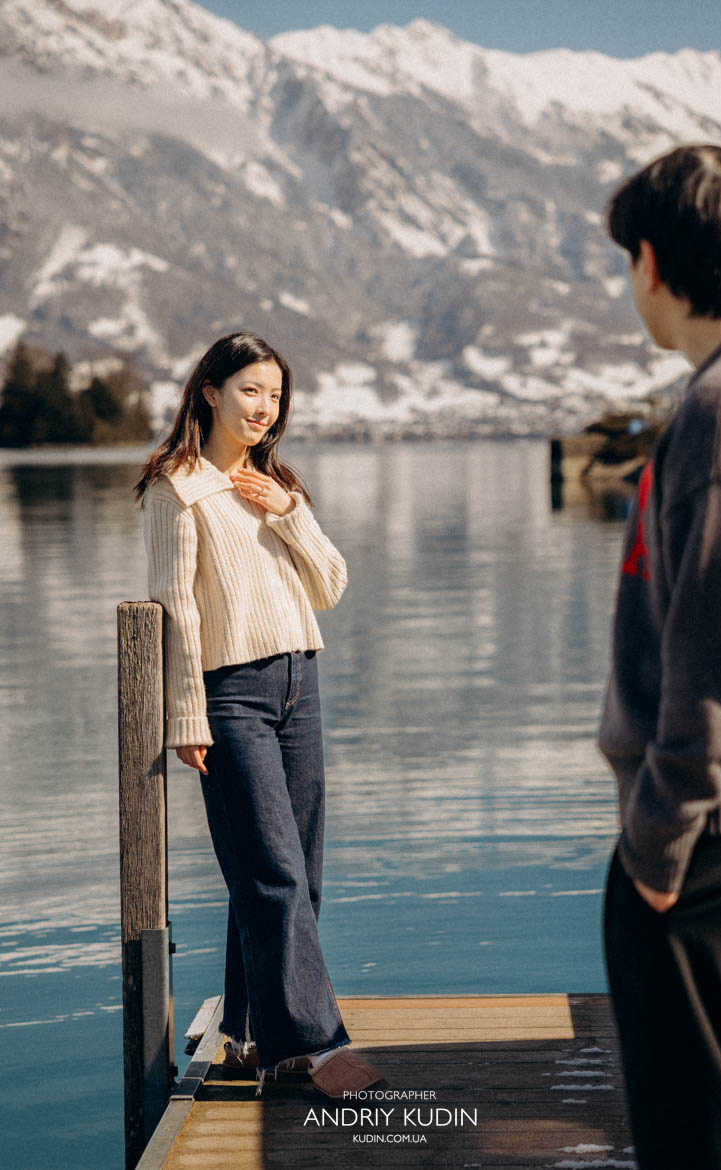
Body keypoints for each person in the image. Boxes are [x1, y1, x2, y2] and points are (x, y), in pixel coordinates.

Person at [135, 331, 382, 1098]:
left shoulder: (276, 487)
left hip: (301, 685)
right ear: (209, 390)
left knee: (297, 877)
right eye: (250, 391)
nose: (264, 408)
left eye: (275, 396)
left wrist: (288, 513)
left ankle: (247, 1035)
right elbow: (176, 605)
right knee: (271, 870)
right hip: (231, 696)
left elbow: (331, 585)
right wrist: (187, 715)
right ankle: (316, 1044)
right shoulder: (176, 488)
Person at [598, 144, 721, 1169]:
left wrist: (660, 847)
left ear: (654, 265)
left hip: (717, 859)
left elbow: (720, 654)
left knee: (708, 1147)